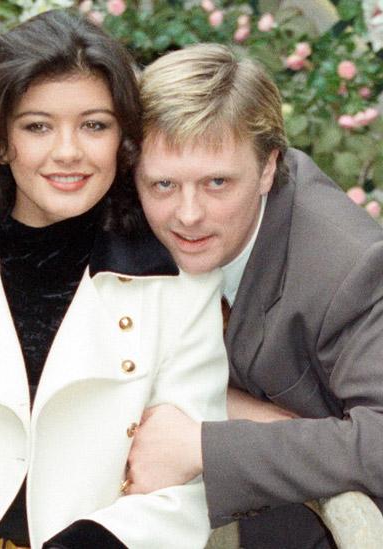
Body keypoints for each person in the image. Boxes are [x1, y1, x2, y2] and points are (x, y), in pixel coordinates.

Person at [0, 11, 228, 549]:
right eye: (38, 126)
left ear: (123, 139)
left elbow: (185, 491)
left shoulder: (181, 294)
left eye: (94, 125)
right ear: (2, 142)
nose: (68, 151)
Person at [128, 43, 383, 548]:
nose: (188, 214)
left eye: (217, 182)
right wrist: (234, 405)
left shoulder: (349, 266)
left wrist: (202, 445)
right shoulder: (128, 210)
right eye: (162, 185)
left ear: (268, 168)